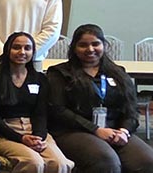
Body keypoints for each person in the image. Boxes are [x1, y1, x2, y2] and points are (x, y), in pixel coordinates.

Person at [46, 24, 153, 172]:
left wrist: (124, 131)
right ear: (74, 48)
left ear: (104, 45)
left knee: (147, 161)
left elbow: (131, 109)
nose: (90, 49)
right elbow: (58, 110)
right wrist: (96, 129)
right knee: (106, 161)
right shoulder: (60, 73)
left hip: (114, 130)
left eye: (95, 44)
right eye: (83, 45)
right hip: (73, 130)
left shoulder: (118, 73)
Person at [0, 32, 73, 173]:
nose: (22, 52)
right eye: (16, 47)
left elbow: (41, 113)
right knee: (33, 162)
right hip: (5, 132)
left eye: (27, 48)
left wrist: (38, 137)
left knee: (60, 163)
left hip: (35, 130)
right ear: (7, 50)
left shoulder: (40, 78)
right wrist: (21, 138)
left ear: (33, 52)